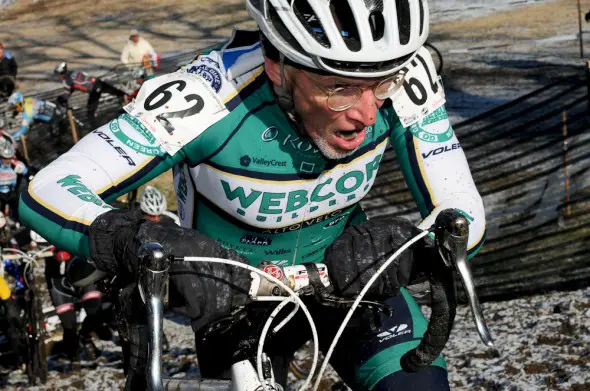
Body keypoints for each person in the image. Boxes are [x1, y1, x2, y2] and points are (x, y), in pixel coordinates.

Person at [20, 1, 486, 390]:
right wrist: (134, 240)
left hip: (352, 273)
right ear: (278, 68)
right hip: (235, 296)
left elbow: (463, 211)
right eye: (339, 88)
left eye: (380, 85)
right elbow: (45, 190)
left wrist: (417, 246)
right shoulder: (207, 97)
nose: (365, 114)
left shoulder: (406, 80)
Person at [54, 62, 125, 129]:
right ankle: (129, 101)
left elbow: (67, 94)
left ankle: (95, 130)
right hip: (98, 82)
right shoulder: (73, 72)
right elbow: (76, 85)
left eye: (58, 75)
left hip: (94, 89)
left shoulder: (67, 81)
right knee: (120, 93)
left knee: (90, 113)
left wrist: (61, 99)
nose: (59, 77)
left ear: (61, 74)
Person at [0, 137, 27, 221]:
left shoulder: (16, 164)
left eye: (9, 157)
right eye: (5, 158)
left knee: (19, 208)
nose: (7, 160)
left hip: (12, 192)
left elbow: (27, 172)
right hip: (0, 193)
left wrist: (24, 171)